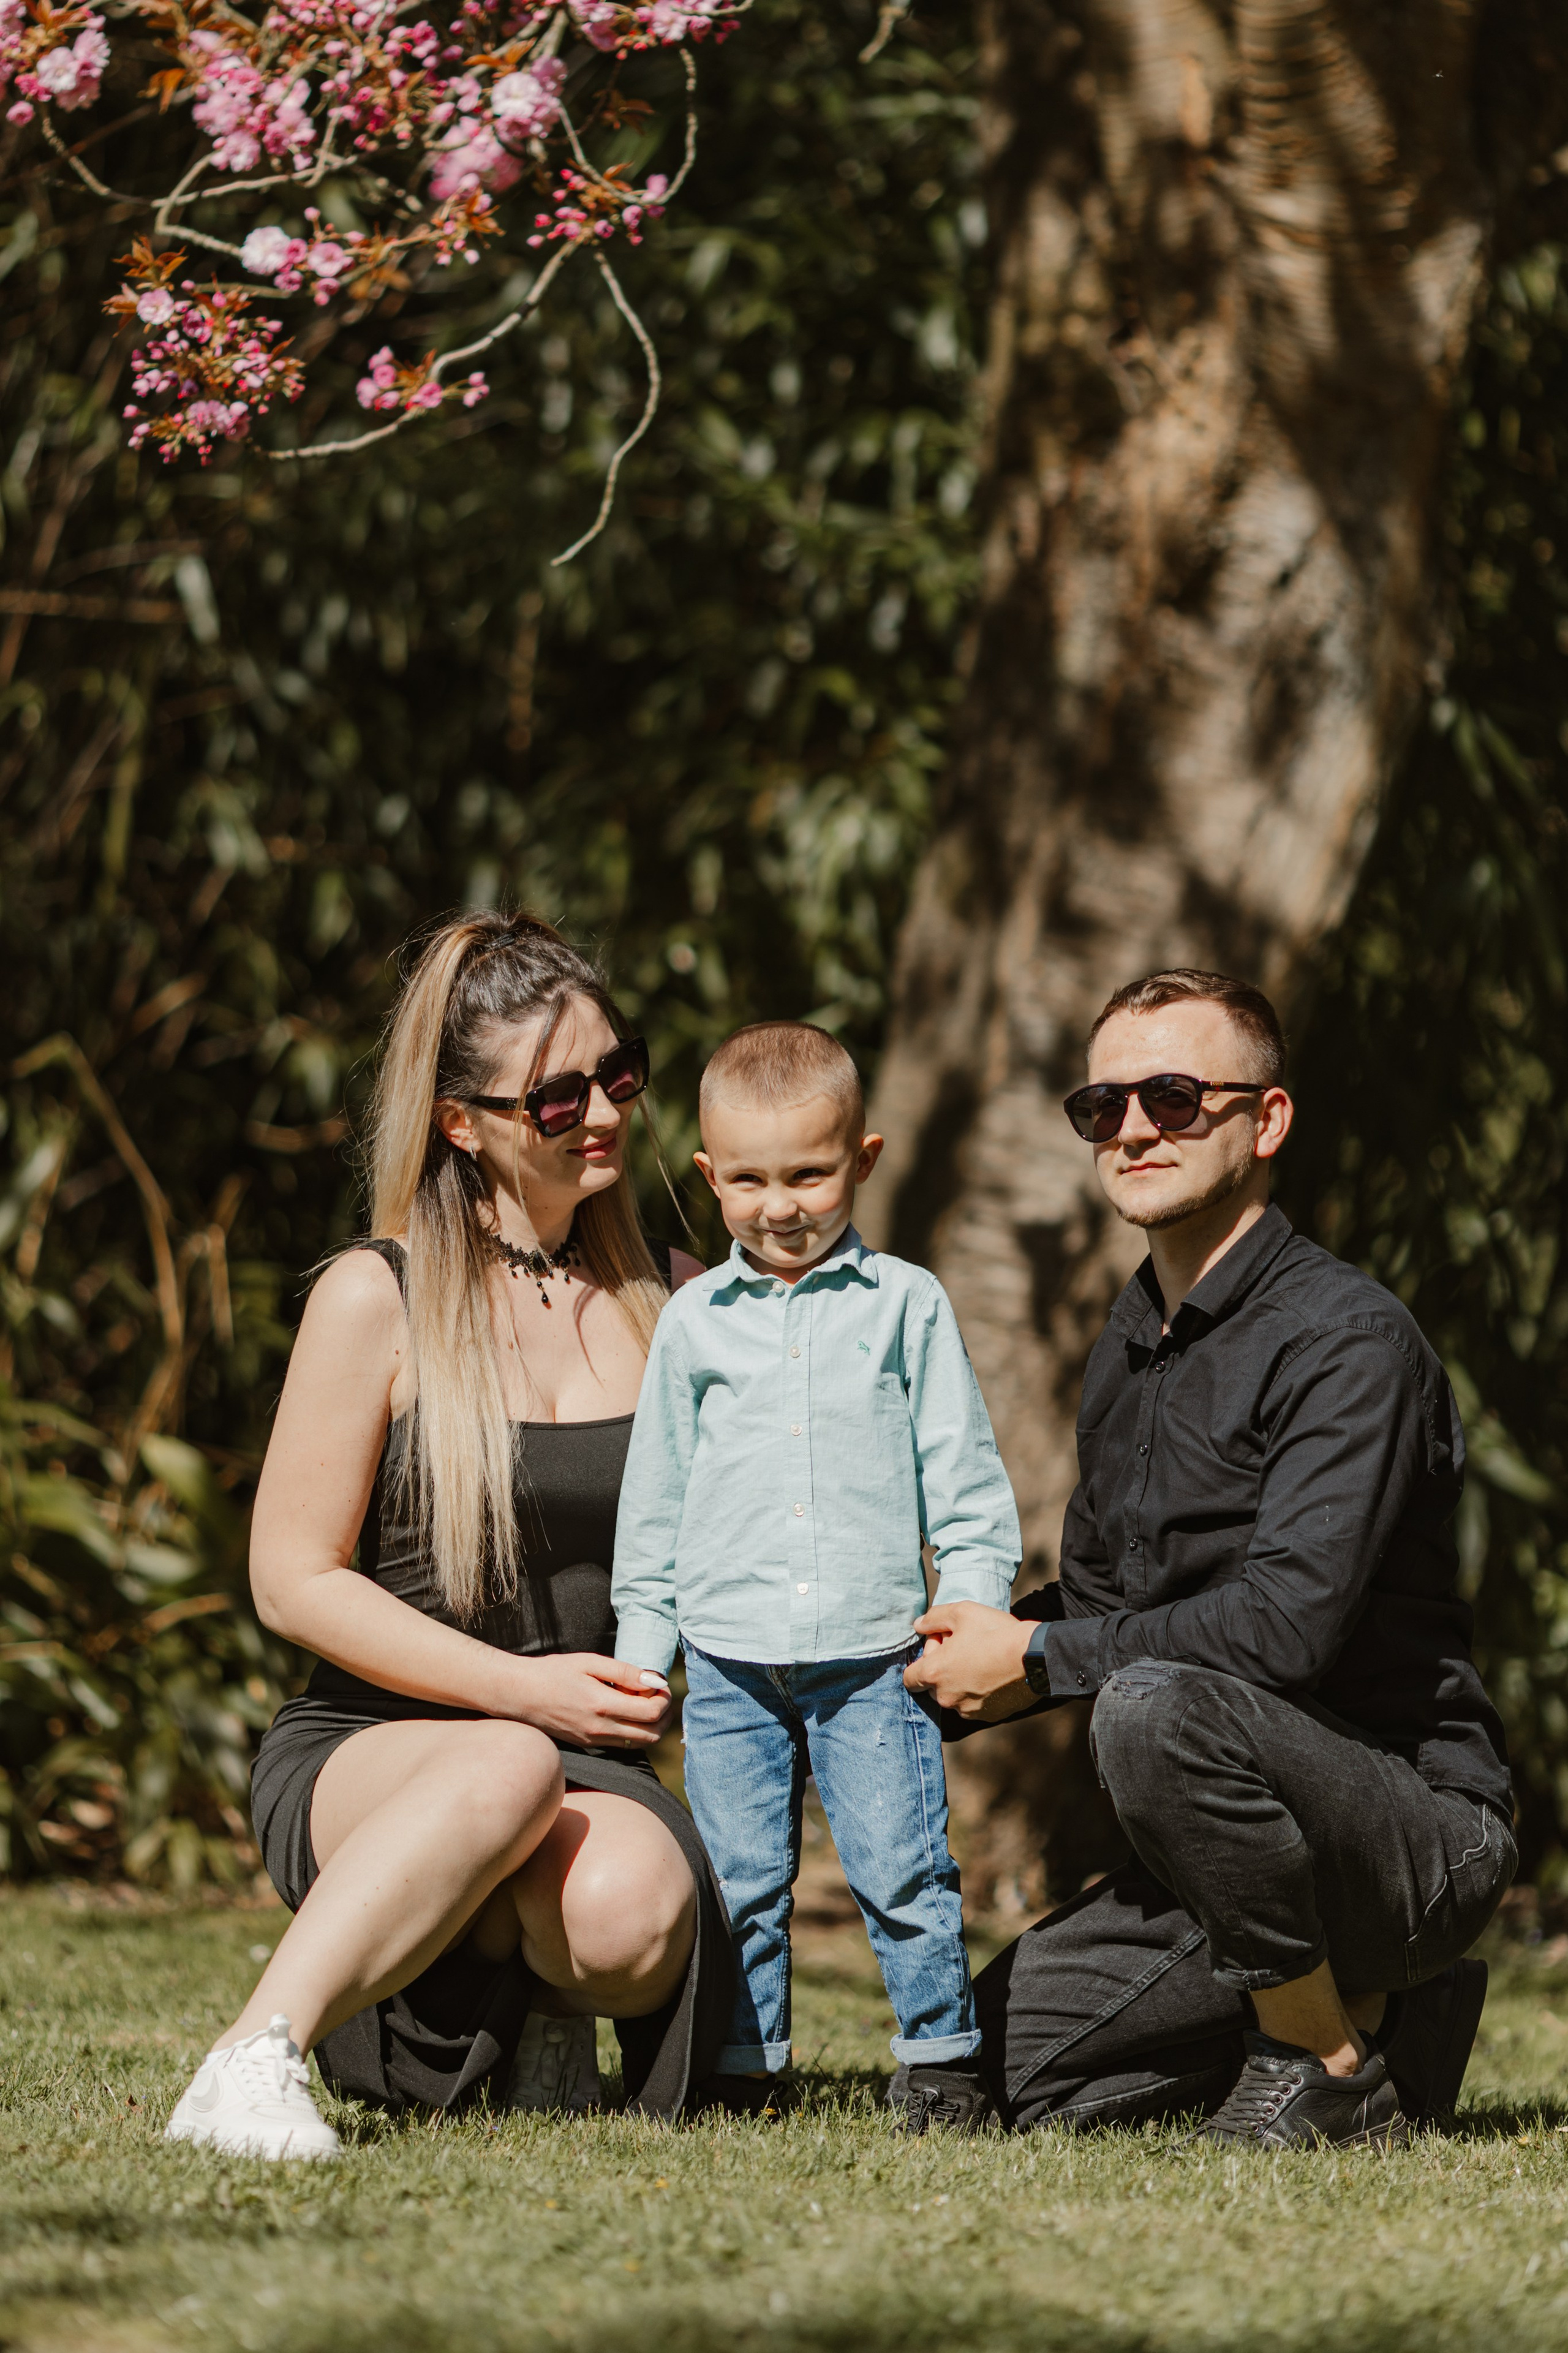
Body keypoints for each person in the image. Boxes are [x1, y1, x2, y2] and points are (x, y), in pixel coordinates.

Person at [905, 969, 1515, 2149]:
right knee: (993, 2077)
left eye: (1175, 1097)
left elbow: (1286, 1630)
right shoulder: (1133, 1338)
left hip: (1413, 1827)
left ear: (1265, 1120)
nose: (1133, 1128)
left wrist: (1034, 1661)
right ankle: (1394, 2023)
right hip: (1233, 1849)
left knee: (1144, 1710)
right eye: (1104, 1107)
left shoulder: (1349, 1340)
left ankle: (1322, 2059)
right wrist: (888, 1677)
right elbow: (1096, 1600)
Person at [165, 912, 732, 2162]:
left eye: (618, 1074)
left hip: (582, 1748)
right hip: (376, 1746)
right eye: (556, 1096)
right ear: (460, 1121)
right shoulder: (375, 1294)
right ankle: (250, 2058)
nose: (601, 1112)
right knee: (504, 1767)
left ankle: (530, 2012)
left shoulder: (683, 1299)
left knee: (629, 1916)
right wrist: (523, 1695)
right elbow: (290, 1580)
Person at [611, 1021, 1022, 2132]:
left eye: (809, 1172)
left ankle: (939, 2063)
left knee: (902, 1870)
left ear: (864, 1160)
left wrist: (968, 1612)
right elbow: (656, 1505)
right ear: (710, 1175)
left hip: (874, 1652)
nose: (779, 1203)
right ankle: (745, 2066)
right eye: (748, 1178)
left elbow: (966, 1481)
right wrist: (641, 1660)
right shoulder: (693, 1325)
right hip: (729, 1658)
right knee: (740, 1881)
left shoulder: (907, 1305)